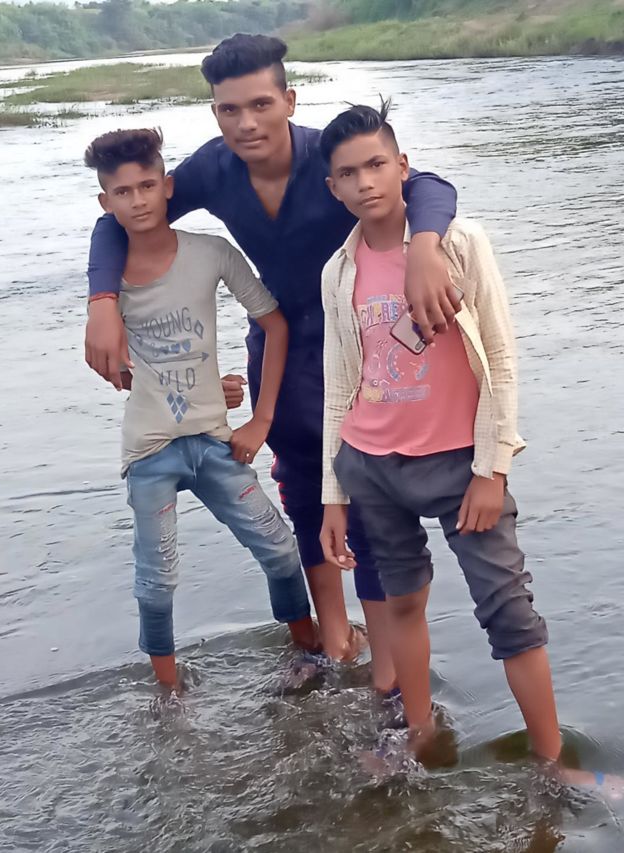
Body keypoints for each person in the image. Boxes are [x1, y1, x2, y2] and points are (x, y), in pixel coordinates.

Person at [84, 33, 460, 688]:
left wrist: (424, 245)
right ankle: (333, 639)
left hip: (358, 350)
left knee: (365, 493)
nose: (247, 123)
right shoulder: (213, 168)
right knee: (304, 490)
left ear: (289, 100)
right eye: (229, 109)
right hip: (282, 354)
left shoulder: (328, 155)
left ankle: (389, 671)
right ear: (215, 113)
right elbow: (123, 215)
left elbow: (424, 183)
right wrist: (102, 302)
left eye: (260, 104)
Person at [318, 101, 563, 762]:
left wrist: (492, 469)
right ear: (334, 188)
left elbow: (501, 360)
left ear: (403, 166)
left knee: (510, 615)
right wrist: (333, 495)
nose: (366, 182)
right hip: (372, 465)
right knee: (402, 602)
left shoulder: (459, 244)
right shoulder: (338, 271)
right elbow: (340, 383)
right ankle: (419, 732)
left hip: (460, 466)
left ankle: (552, 763)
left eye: (376, 164)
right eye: (349, 174)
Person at [84, 126, 318, 691]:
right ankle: (169, 694)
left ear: (167, 186)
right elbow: (120, 372)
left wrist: (259, 416)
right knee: (157, 580)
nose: (137, 201)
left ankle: (310, 652)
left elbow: (274, 324)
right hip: (150, 452)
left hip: (216, 443)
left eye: (147, 186)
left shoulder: (209, 253)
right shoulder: (108, 286)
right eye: (122, 192)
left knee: (280, 549)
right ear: (105, 203)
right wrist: (122, 344)